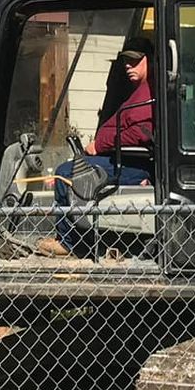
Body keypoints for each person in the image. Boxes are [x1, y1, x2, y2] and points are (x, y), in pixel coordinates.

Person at [35, 35, 154, 257]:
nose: (128, 66)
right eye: (126, 61)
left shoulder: (149, 94)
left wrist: (99, 145)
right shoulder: (140, 91)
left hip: (131, 164)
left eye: (135, 61)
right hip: (122, 159)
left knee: (64, 174)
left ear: (151, 60)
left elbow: (141, 134)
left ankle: (69, 242)